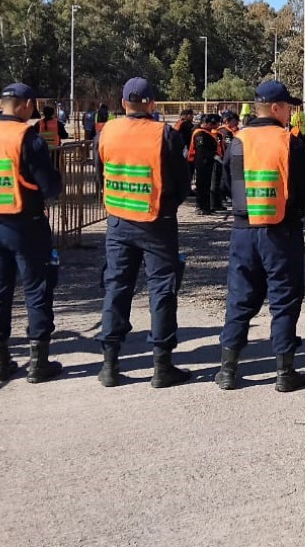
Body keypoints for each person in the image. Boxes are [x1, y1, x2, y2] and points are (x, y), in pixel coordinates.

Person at [217, 80, 305, 392]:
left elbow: (225, 188)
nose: (290, 113)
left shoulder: (237, 142)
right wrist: (291, 218)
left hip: (244, 232)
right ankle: (285, 372)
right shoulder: (290, 142)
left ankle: (227, 371)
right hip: (280, 232)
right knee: (284, 298)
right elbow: (304, 194)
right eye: (288, 107)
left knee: (240, 297)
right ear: (275, 108)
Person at [94, 78, 193, 389]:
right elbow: (181, 182)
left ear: (124, 103)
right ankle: (162, 366)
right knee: (161, 289)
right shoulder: (164, 134)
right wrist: (168, 206)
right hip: (157, 222)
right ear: (152, 103)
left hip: (119, 221)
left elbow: (101, 172)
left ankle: (110, 364)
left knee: (117, 288)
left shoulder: (108, 131)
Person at [0, 83, 63, 383]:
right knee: (36, 290)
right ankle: (38, 363)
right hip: (26, 225)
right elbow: (50, 187)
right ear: (27, 104)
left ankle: (0, 362)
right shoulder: (26, 138)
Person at [189, 114, 220, 214]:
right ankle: (200, 206)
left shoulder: (208, 132)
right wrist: (213, 155)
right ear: (205, 123)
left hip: (208, 161)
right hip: (202, 162)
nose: (213, 126)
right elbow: (201, 149)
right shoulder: (200, 134)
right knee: (201, 184)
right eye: (211, 124)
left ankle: (206, 206)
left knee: (207, 185)